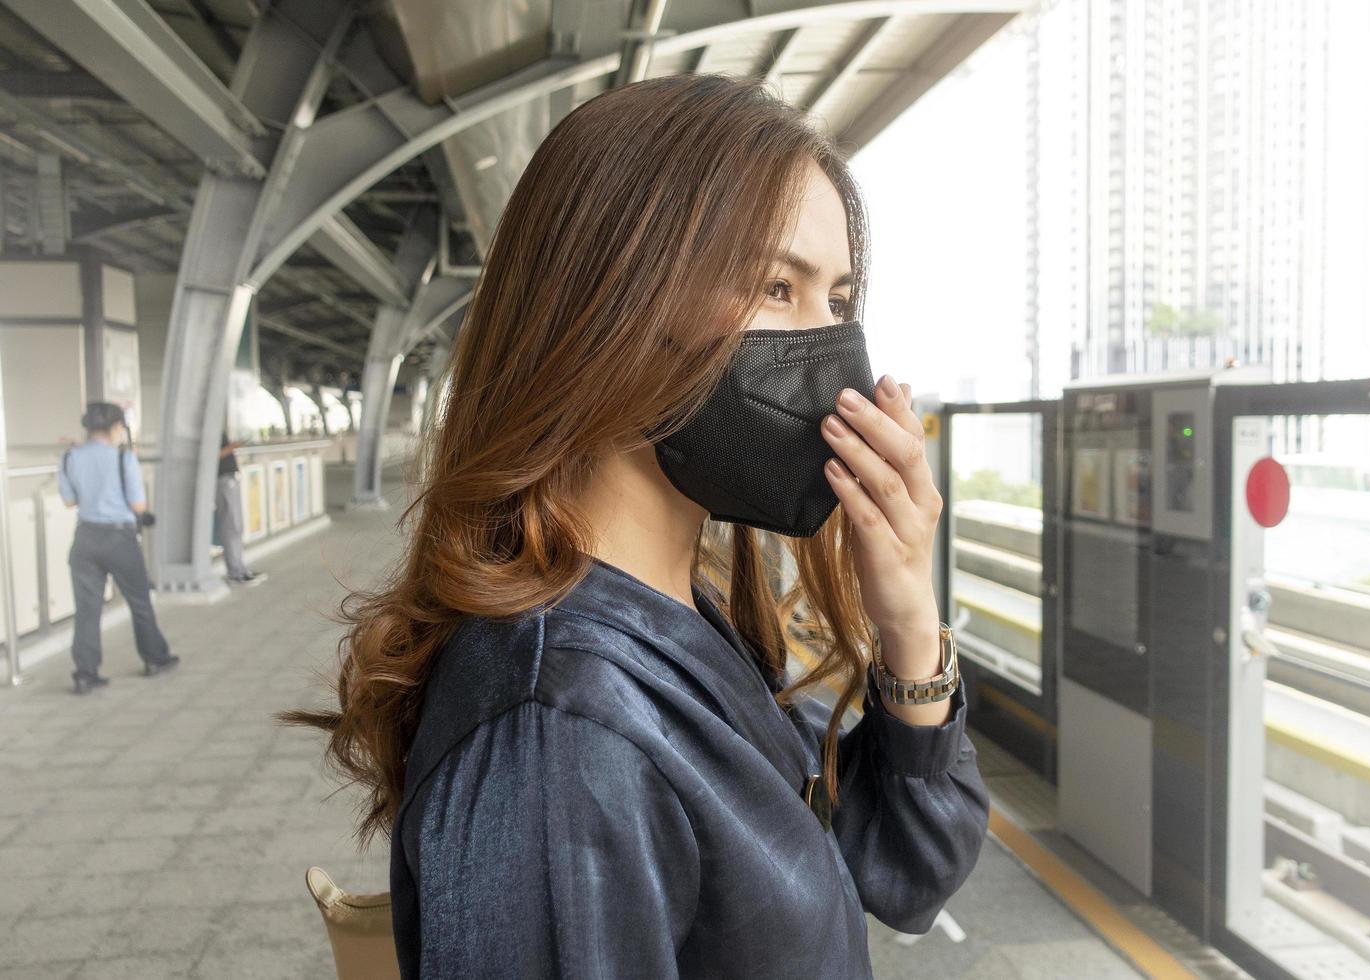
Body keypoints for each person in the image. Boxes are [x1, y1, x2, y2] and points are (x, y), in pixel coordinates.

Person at [281, 73, 987, 979]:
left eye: (838, 301)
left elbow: (904, 872)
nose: (833, 357)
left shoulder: (679, 619)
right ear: (609, 304)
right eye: (777, 286)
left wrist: (908, 627)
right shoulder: (562, 730)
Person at [58, 401, 180, 694]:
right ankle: (155, 658)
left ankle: (86, 674)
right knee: (139, 601)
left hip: (85, 539)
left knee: (87, 609)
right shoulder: (123, 458)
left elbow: (69, 501)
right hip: (119, 539)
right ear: (115, 428)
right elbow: (138, 504)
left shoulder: (69, 456)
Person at [217, 432, 266, 586]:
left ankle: (240, 569)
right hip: (223, 479)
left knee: (237, 526)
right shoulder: (208, 428)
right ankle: (235, 572)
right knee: (232, 526)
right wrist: (233, 446)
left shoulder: (216, 426)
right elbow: (211, 455)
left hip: (229, 478)